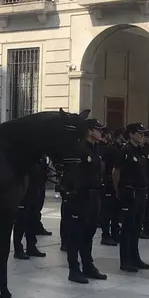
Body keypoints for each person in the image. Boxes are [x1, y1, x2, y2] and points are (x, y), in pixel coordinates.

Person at [62, 120, 107, 283]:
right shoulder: (78, 149)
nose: (101, 132)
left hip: (94, 196)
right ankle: (74, 269)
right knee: (75, 235)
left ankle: (88, 266)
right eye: (98, 130)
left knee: (89, 233)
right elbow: (67, 173)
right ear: (89, 131)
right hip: (80, 197)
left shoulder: (96, 150)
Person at [112, 123, 149, 272]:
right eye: (139, 133)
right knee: (127, 228)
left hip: (141, 192)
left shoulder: (141, 151)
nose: (142, 136)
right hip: (129, 193)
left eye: (143, 133)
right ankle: (125, 260)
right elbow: (116, 173)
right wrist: (119, 191)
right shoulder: (125, 150)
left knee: (136, 227)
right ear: (132, 134)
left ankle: (135, 258)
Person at [100, 127, 124, 246]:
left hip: (119, 183)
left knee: (116, 211)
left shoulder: (122, 149)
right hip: (109, 182)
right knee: (107, 211)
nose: (122, 139)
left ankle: (115, 232)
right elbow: (103, 165)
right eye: (120, 137)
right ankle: (105, 234)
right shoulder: (109, 149)